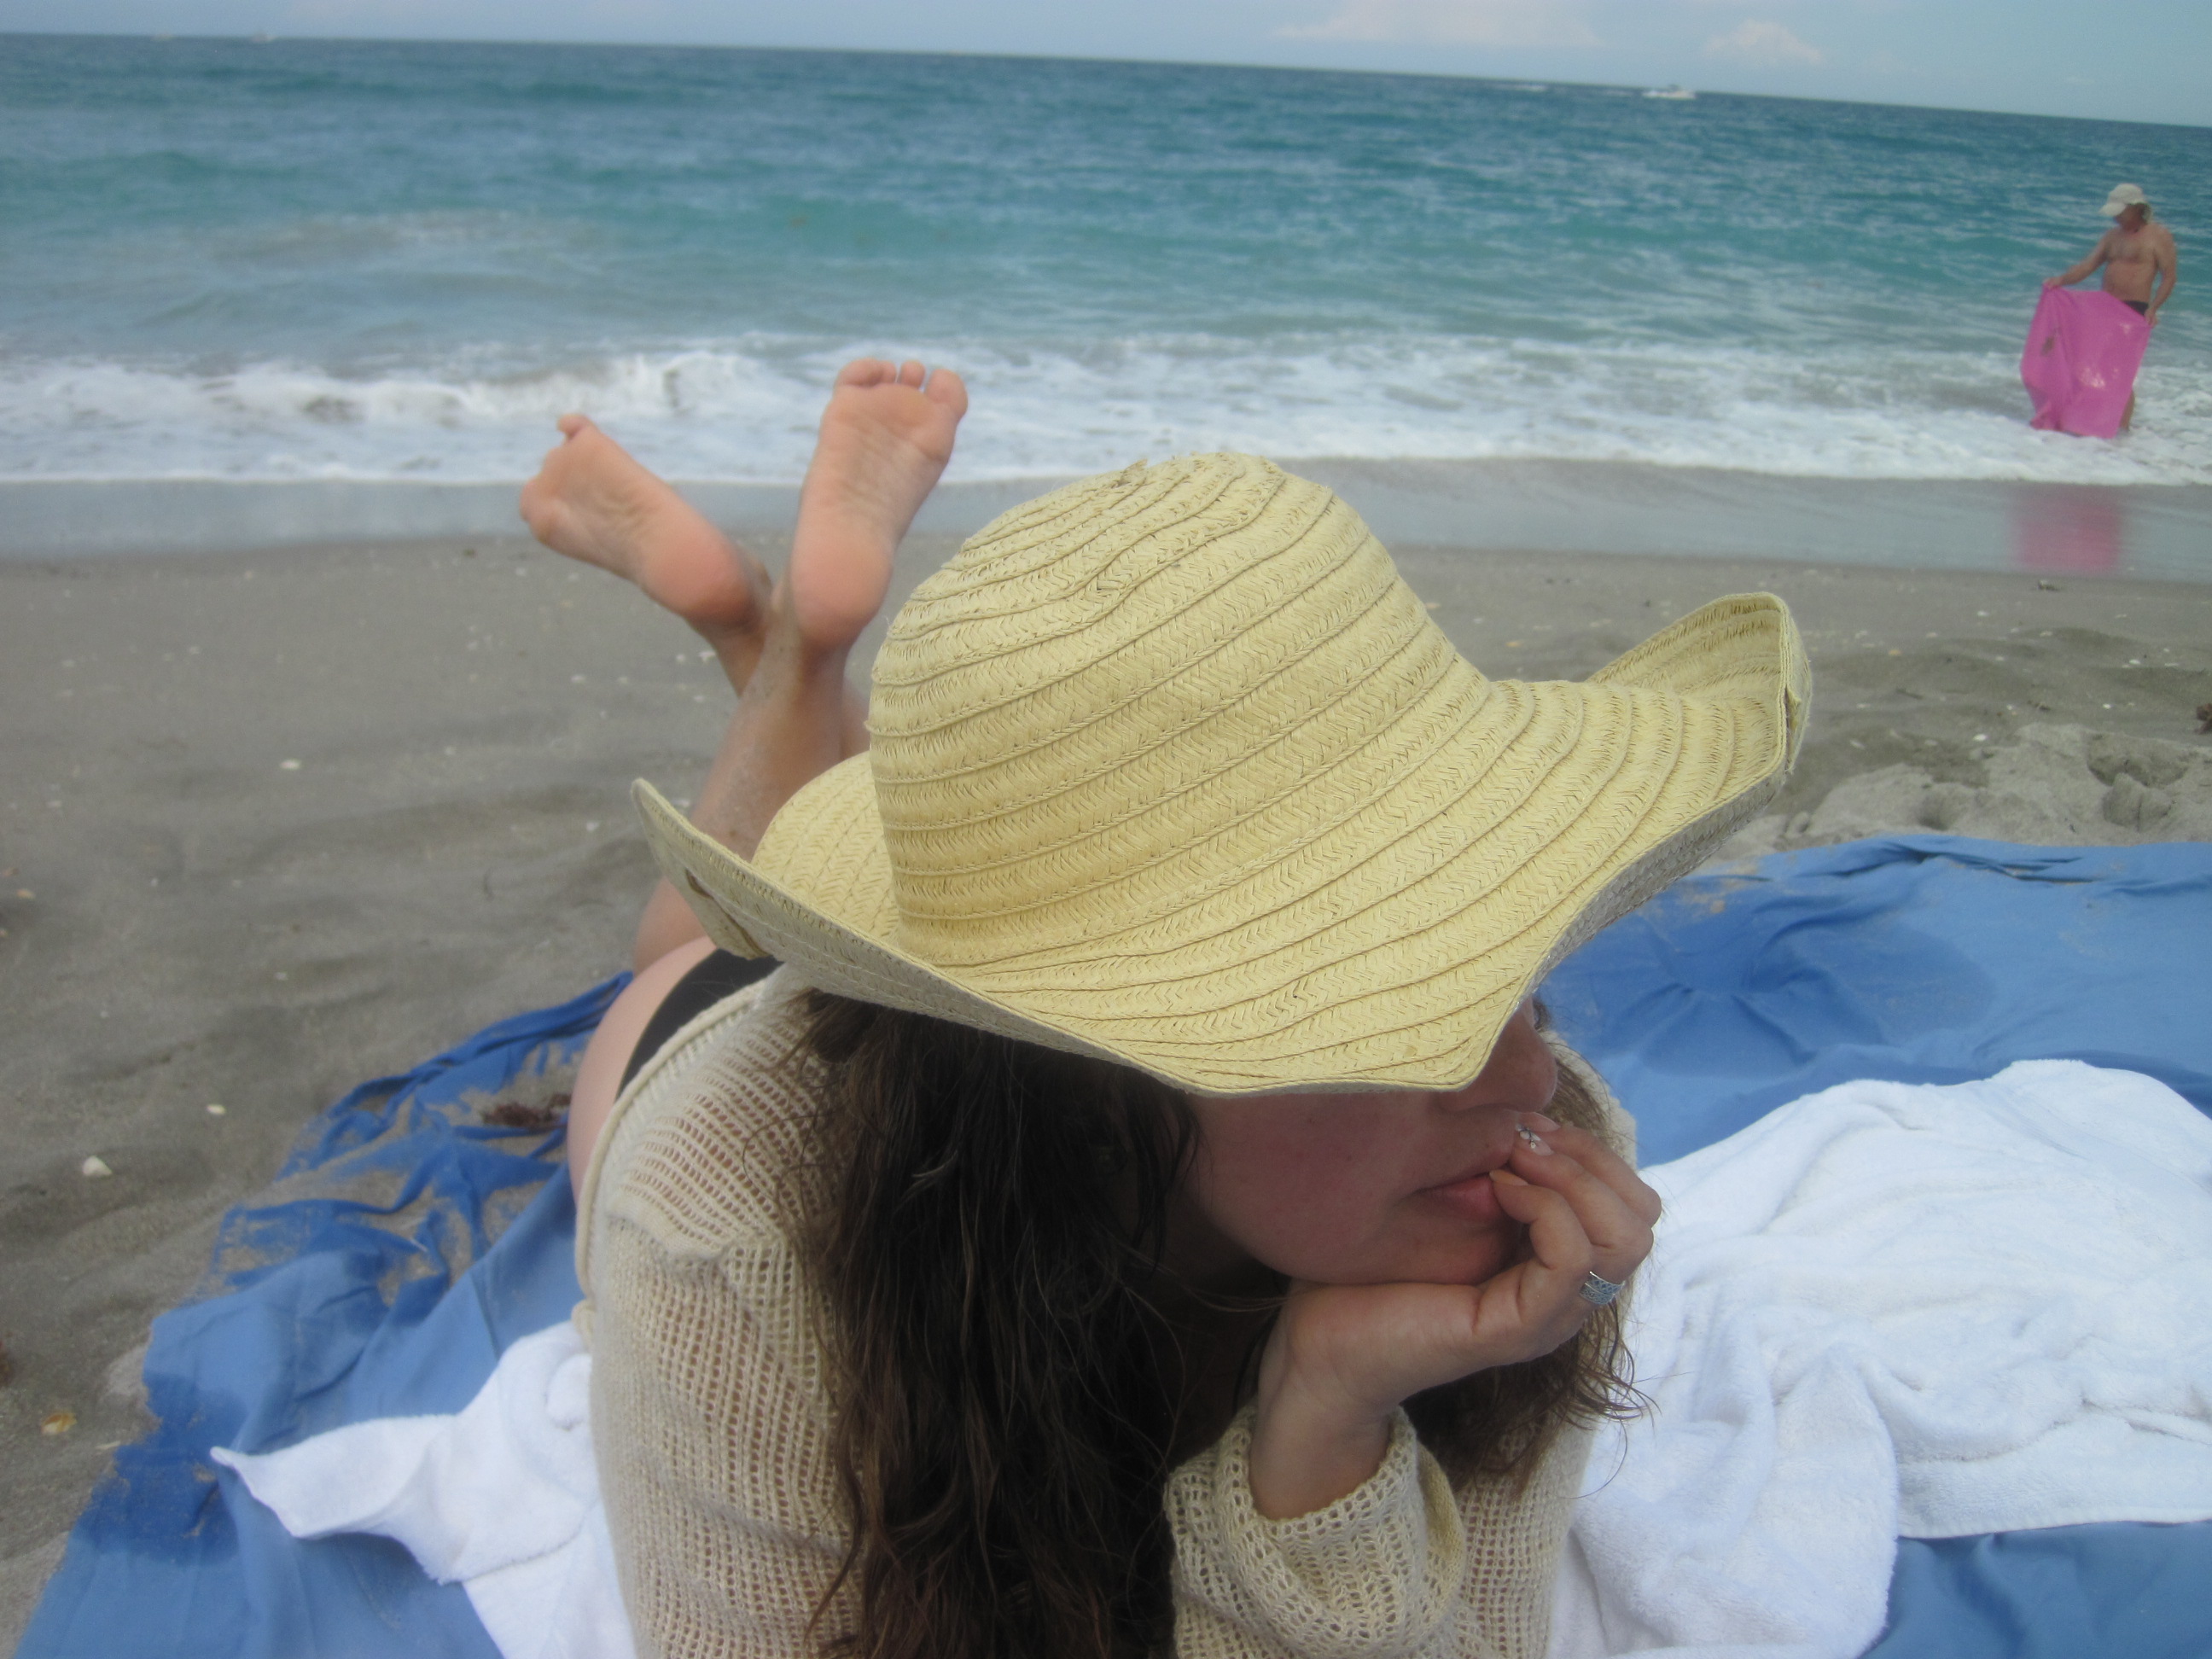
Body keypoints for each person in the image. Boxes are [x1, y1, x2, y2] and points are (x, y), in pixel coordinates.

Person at [518, 360, 1808, 1659]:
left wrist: (1323, 1439)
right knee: (678, 952)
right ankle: (785, 642)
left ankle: (787, 644)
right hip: (706, 1050)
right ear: (1098, 1074)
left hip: (978, 1006)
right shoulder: (726, 1225)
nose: (1528, 1081)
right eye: (1397, 1008)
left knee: (846, 868)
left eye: (1500, 965)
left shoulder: (1539, 1201)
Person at [2044, 183, 2180, 430]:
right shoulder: (2111, 237)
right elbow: (2088, 266)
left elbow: (2169, 276)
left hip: (2133, 310)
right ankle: (2089, 421)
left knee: (2120, 372)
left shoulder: (2158, 236)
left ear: (2136, 207)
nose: (2116, 216)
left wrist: (2154, 308)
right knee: (2087, 365)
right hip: (2104, 308)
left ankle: (2123, 432)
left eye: (2120, 211)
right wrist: (2061, 280)